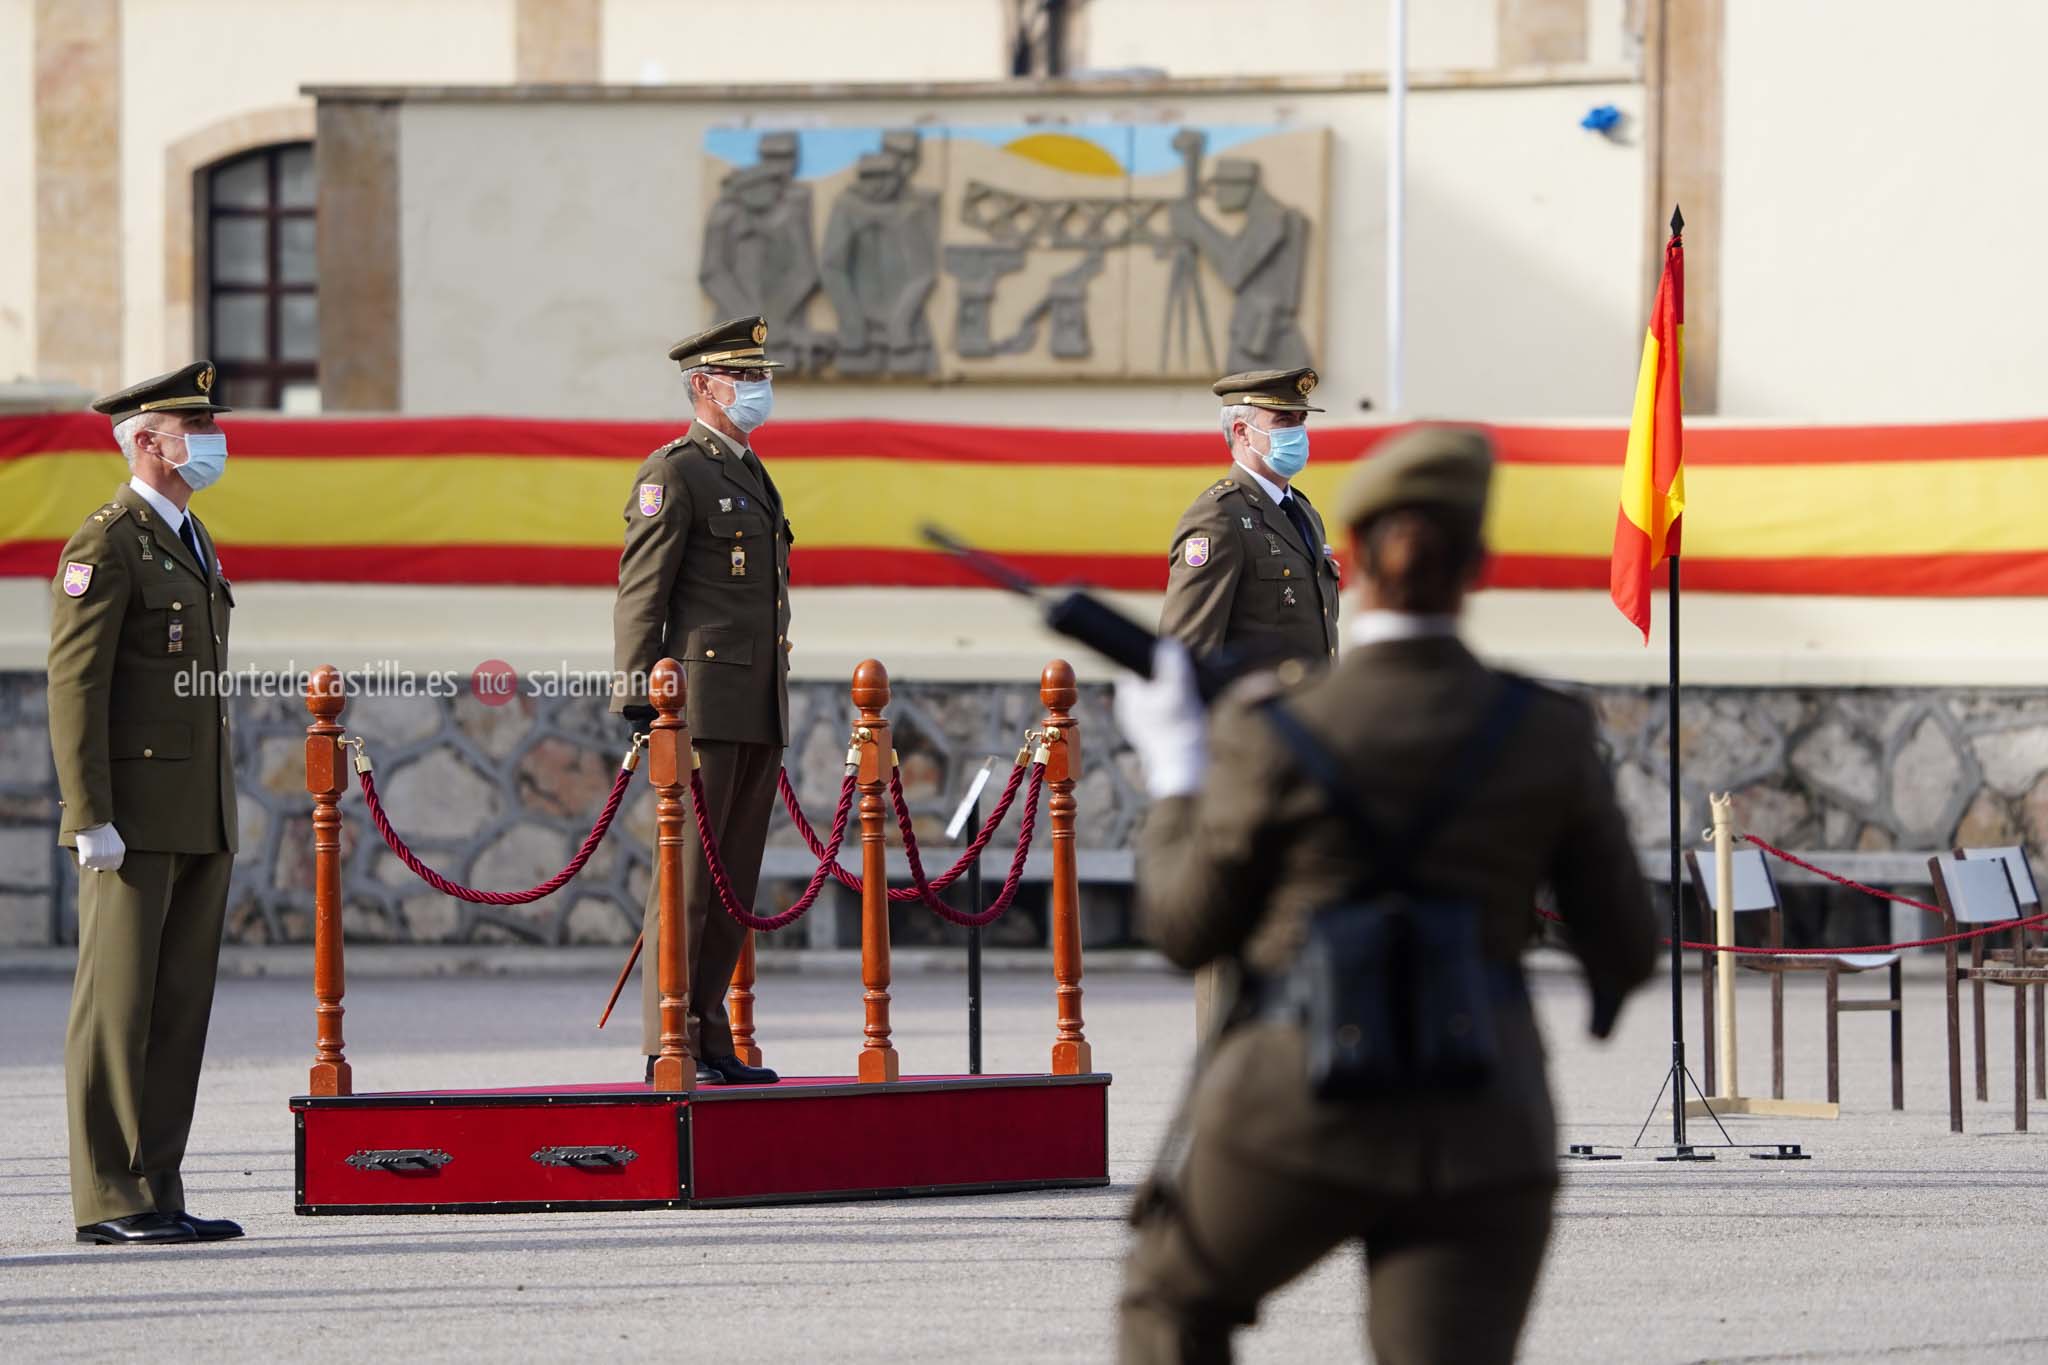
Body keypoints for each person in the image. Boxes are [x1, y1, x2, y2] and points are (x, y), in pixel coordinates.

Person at [1114, 425, 1659, 1363]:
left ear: (1352, 559)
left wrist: (1176, 775)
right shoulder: (1548, 731)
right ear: (1479, 568)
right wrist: (1599, 1001)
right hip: (1479, 1109)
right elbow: (1626, 947)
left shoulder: (1272, 726)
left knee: (1169, 1302)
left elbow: (1182, 923)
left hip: (1296, 1103)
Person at [49, 361, 243, 1246]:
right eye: (193, 428)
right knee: (116, 1004)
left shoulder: (191, 537)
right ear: (148, 441)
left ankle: (157, 1183)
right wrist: (89, 813)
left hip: (195, 807)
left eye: (209, 426)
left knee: (175, 1007)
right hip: (129, 815)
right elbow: (76, 687)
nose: (210, 442)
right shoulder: (107, 542)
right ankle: (108, 1196)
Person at [613, 317, 792, 1087]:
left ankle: (711, 1032)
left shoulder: (749, 469)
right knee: (686, 878)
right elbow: (641, 591)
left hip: (754, 698)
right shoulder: (675, 470)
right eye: (743, 378)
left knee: (731, 881)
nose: (758, 390)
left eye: (759, 376)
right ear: (703, 387)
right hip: (696, 703)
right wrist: (639, 697)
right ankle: (669, 1040)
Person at [1159, 366, 1341, 1035]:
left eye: (1300, 421)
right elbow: (1183, 656)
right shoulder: (1219, 518)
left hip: (1310, 756)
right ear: (1241, 429)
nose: (1298, 433)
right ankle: (1225, 1090)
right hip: (1248, 762)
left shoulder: (1301, 514)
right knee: (1237, 940)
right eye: (1284, 421)